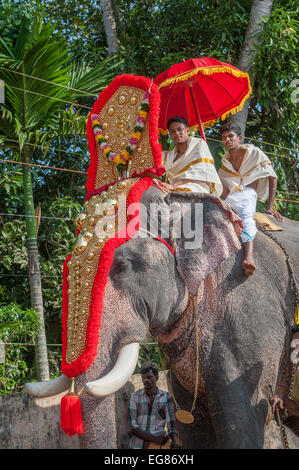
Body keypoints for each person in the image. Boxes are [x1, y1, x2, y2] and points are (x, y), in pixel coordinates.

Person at [218, 123, 283, 276]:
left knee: (245, 214)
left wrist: (270, 207)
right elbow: (222, 186)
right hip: (230, 197)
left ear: (239, 138)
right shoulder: (225, 162)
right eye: (224, 137)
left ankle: (249, 257)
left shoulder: (254, 152)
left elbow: (272, 176)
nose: (227, 140)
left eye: (230, 136)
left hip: (248, 194)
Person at [160, 116, 223, 197]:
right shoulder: (169, 155)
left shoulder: (198, 144)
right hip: (171, 188)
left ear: (187, 131)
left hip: (196, 187)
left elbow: (199, 173)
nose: (176, 133)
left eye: (179, 129)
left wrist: (174, 185)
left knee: (183, 193)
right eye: (172, 131)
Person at [128, 361, 180, 449]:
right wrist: (155, 439)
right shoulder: (135, 397)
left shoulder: (166, 397)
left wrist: (174, 442)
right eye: (143, 377)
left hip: (158, 446)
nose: (145, 380)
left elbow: (171, 423)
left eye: (149, 377)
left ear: (157, 377)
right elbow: (132, 425)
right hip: (136, 445)